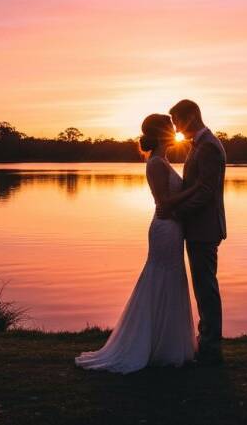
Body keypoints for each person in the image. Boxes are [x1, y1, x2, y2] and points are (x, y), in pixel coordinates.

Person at [75, 114, 198, 373]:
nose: (176, 131)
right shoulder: (155, 163)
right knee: (160, 279)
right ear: (163, 133)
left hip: (173, 228)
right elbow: (163, 203)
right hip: (165, 229)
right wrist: (195, 189)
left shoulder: (162, 161)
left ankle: (168, 344)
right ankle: (153, 346)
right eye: (172, 128)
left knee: (172, 280)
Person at [161, 99, 227, 365]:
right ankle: (206, 341)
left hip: (205, 227)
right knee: (202, 286)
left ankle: (210, 346)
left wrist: (177, 213)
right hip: (198, 226)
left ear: (190, 117)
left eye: (177, 121)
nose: (176, 127)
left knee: (206, 287)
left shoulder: (209, 146)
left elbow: (205, 192)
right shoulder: (199, 145)